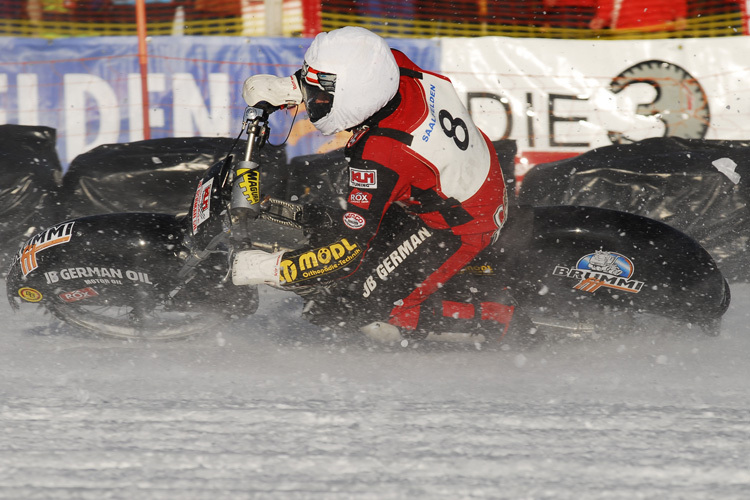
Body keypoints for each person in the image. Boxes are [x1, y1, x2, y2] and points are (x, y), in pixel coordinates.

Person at [232, 26, 509, 339]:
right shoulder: (394, 68)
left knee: (355, 306)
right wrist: (291, 86)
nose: (314, 102)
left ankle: (499, 318)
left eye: (321, 96)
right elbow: (345, 78)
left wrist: (273, 269)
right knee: (335, 221)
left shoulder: (382, 152)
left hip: (461, 224)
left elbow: (349, 250)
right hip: (462, 177)